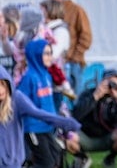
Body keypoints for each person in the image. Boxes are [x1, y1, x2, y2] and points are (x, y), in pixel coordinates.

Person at [0, 65, 80, 168]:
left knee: (50, 160)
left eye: (2, 84)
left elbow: (39, 114)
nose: (1, 90)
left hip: (14, 161)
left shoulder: (16, 99)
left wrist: (66, 123)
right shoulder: (30, 77)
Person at [17, 39, 68, 168]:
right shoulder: (29, 78)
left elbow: (48, 104)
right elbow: (19, 102)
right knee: (46, 163)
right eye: (46, 53)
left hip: (46, 127)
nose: (50, 57)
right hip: (33, 128)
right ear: (36, 55)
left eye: (50, 53)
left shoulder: (46, 75)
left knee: (57, 155)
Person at [69, 69, 117, 168]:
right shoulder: (88, 94)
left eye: (115, 82)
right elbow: (76, 116)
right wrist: (96, 96)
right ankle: (82, 158)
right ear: (102, 81)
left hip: (107, 137)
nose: (111, 86)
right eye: (109, 82)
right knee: (67, 136)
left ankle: (110, 159)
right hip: (85, 137)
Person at [44, 0, 93, 95]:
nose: (48, 0)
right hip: (55, 64)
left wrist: (75, 56)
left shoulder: (76, 10)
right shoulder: (49, 13)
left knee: (74, 99)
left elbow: (86, 36)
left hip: (72, 63)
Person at [40, 0, 75, 110]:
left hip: (55, 80)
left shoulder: (60, 31)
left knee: (55, 108)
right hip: (45, 77)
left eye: (43, 11)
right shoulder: (44, 29)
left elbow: (53, 54)